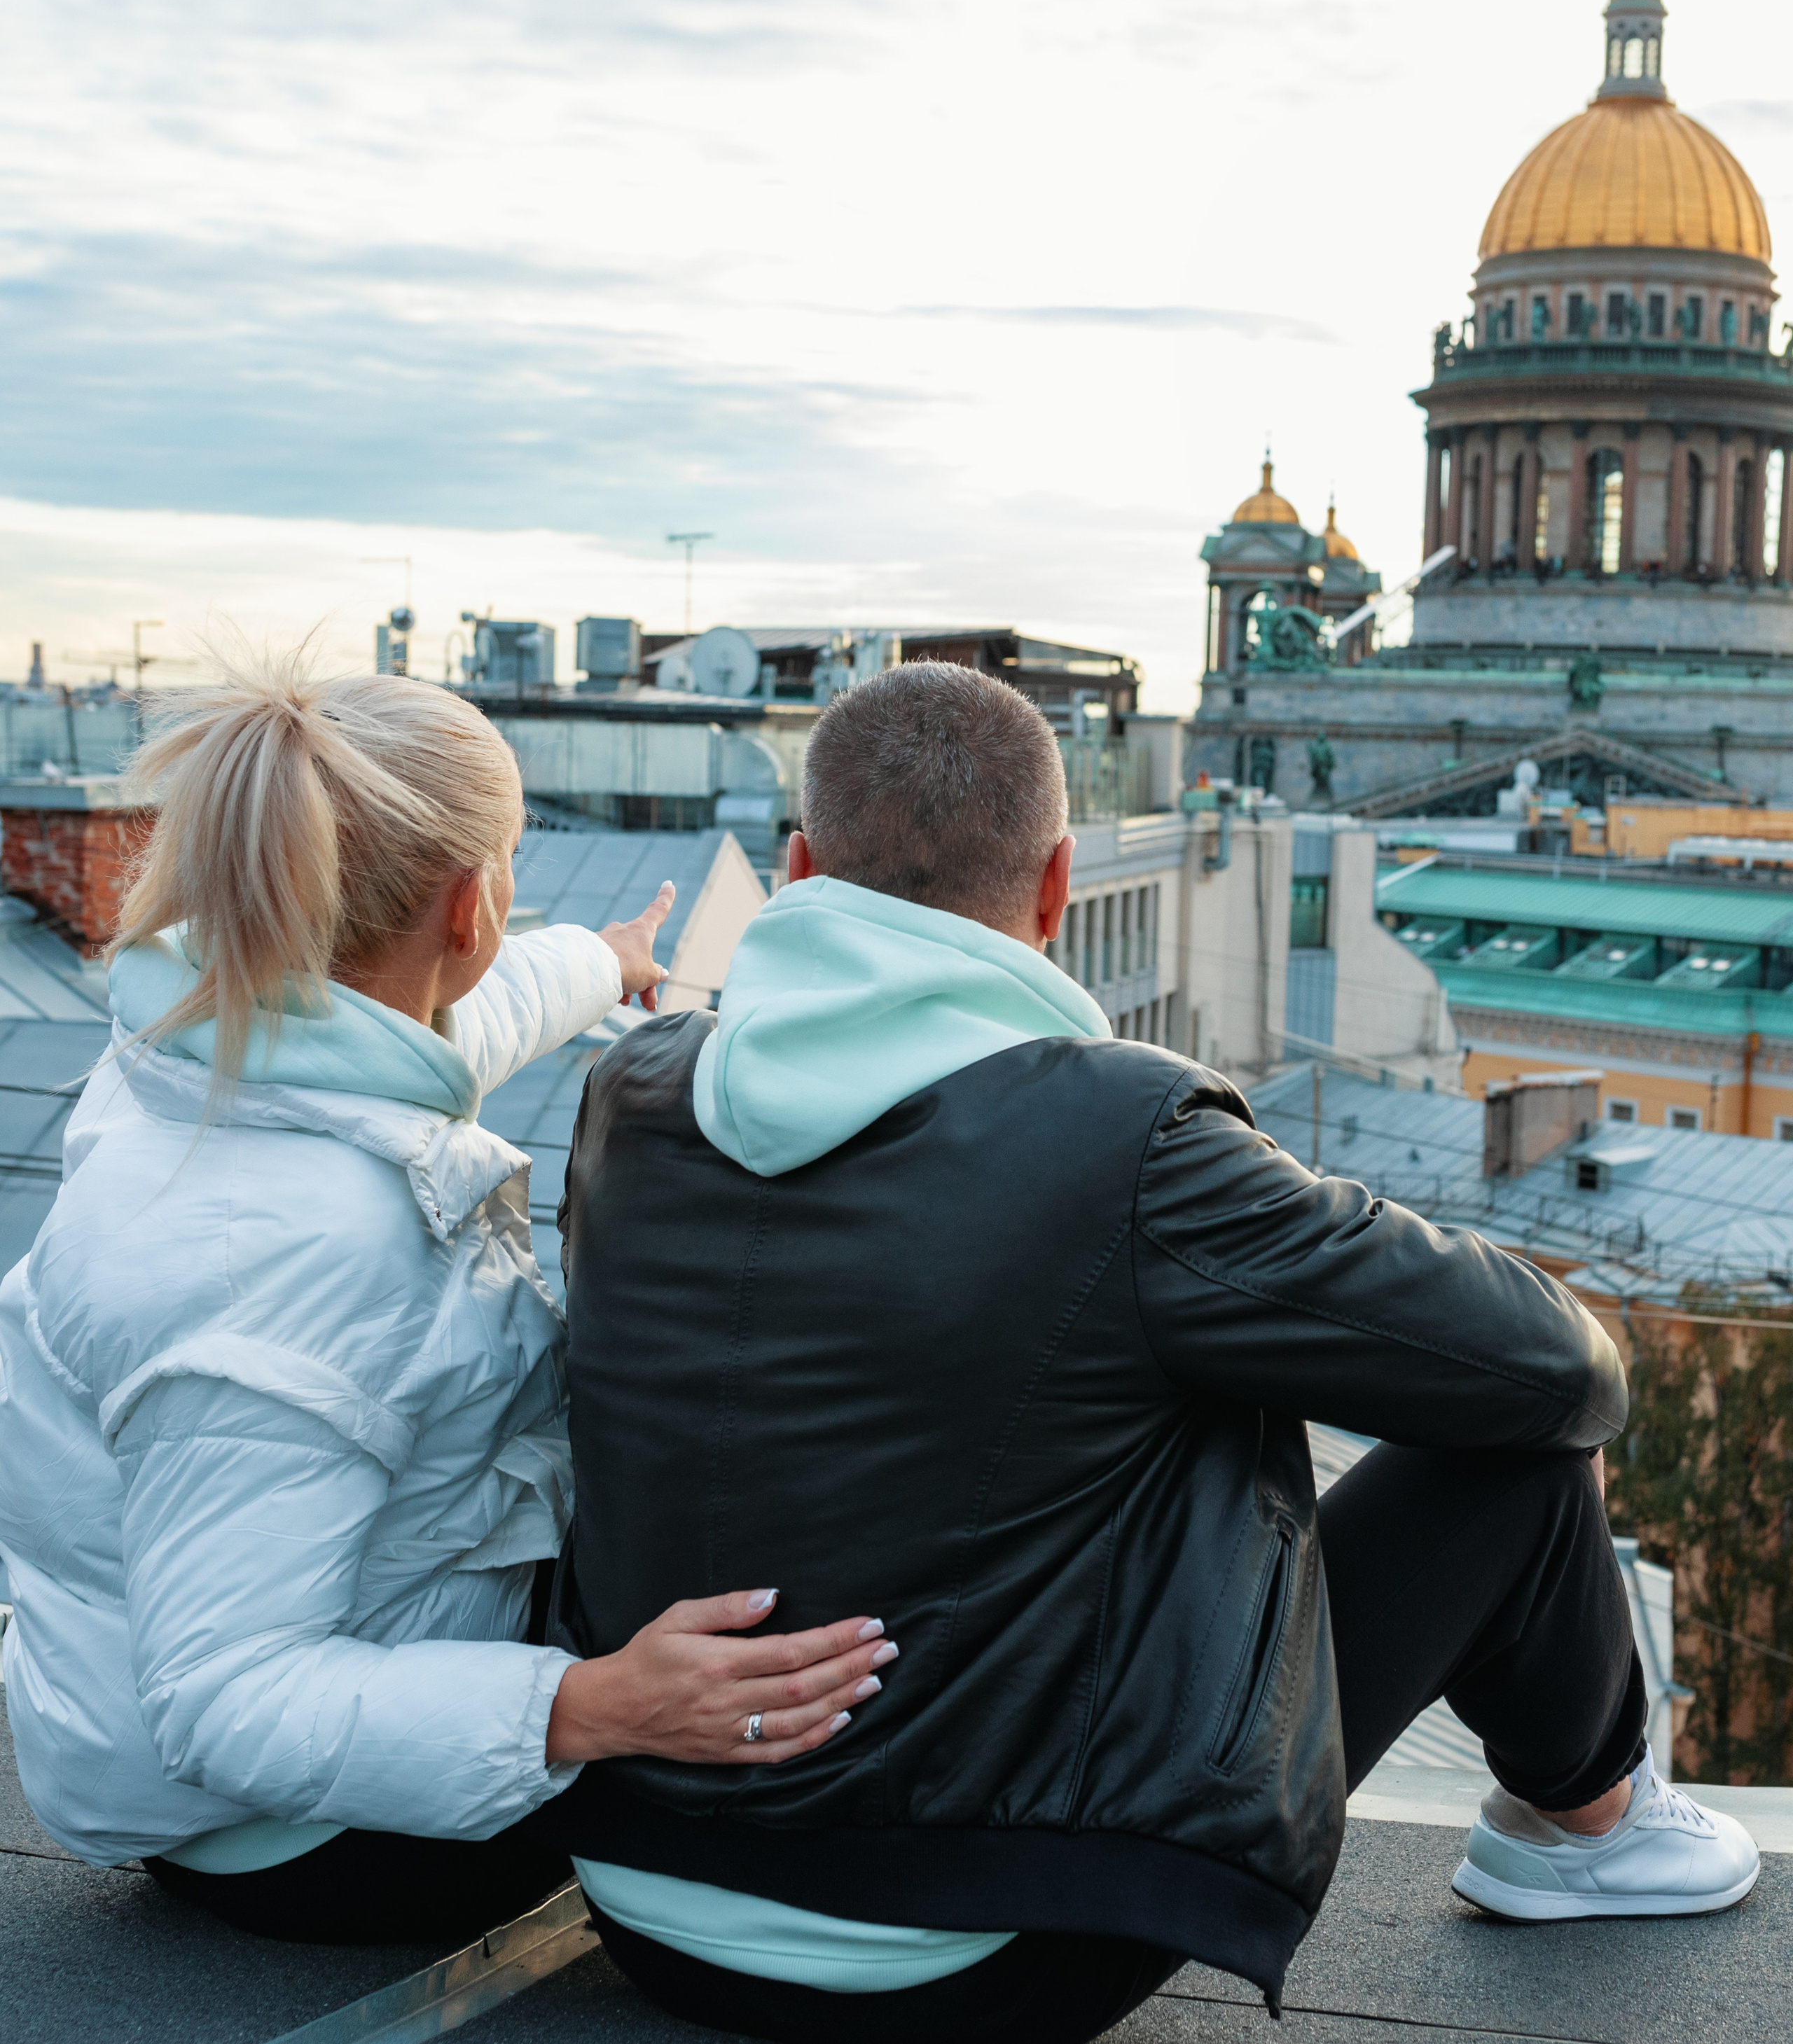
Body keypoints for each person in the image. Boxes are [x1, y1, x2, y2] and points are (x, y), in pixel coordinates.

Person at [539, 660, 1758, 2044]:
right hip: (973, 1943)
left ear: (801, 865)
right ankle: (1585, 1826)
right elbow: (1558, 1371)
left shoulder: (627, 1092)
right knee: (1513, 1462)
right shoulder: (1121, 1140)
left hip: (643, 1892)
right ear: (1056, 886)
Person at [0, 662, 889, 1946]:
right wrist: (599, 1706)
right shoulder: (297, 1256)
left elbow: (442, 1031)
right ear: (472, 904)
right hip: (298, 1836)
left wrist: (604, 959)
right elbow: (223, 1700)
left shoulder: (214, 1038)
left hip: (193, 1733)